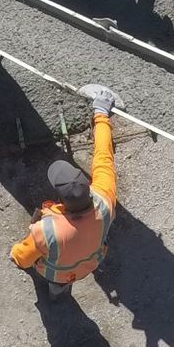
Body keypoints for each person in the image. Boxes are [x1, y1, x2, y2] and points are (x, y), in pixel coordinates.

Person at [11, 84, 119, 297]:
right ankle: (61, 291)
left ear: (61, 200)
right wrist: (101, 114)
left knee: (58, 279)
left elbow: (22, 257)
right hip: (91, 263)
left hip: (57, 273)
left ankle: (57, 291)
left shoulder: (47, 230)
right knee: (70, 273)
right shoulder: (104, 200)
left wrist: (16, 255)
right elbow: (104, 156)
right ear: (87, 188)